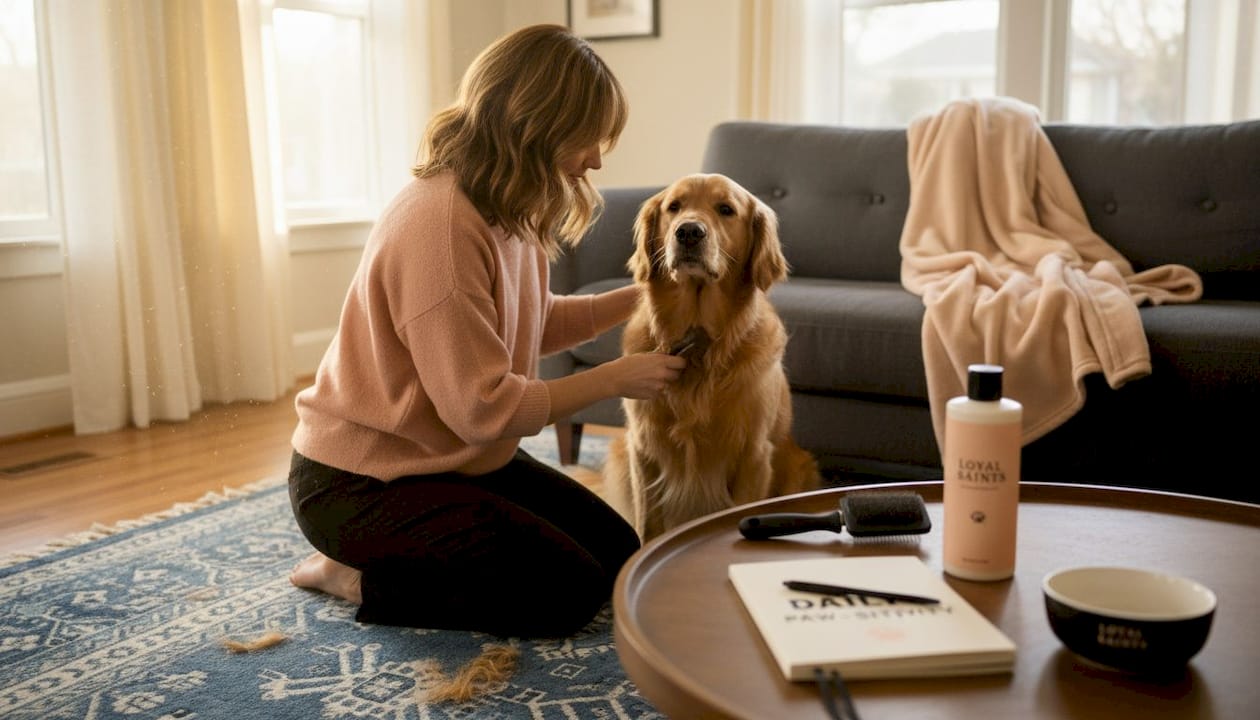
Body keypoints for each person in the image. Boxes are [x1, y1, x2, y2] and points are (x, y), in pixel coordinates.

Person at [286, 24, 685, 637]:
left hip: (448, 461)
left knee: (617, 555)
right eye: (587, 136)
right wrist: (614, 379)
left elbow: (532, 321)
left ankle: (396, 564)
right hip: (360, 484)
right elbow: (483, 408)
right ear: (537, 123)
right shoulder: (441, 225)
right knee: (568, 594)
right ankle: (354, 577)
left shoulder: (505, 206)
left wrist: (644, 296)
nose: (597, 160)